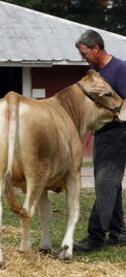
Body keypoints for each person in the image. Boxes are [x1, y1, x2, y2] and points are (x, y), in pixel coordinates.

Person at [73, 30, 126, 252]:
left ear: (96, 47)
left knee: (105, 183)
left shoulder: (120, 69)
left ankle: (95, 236)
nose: (83, 56)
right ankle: (118, 233)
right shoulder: (94, 72)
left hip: (118, 133)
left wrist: (117, 119)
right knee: (109, 183)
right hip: (101, 134)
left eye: (85, 52)